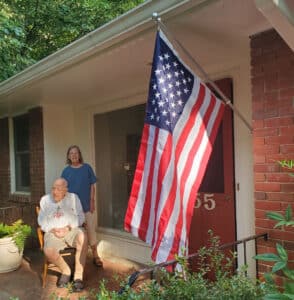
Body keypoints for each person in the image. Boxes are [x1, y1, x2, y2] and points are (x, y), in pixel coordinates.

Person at [38, 178, 88, 291]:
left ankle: (78, 276)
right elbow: (41, 221)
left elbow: (81, 217)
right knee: (48, 250)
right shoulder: (45, 200)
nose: (55, 192)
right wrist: (52, 230)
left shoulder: (74, 198)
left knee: (82, 237)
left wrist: (68, 228)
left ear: (66, 190)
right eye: (53, 188)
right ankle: (66, 271)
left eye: (59, 189)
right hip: (53, 231)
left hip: (70, 229)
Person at [61, 145, 103, 267]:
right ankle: (78, 257)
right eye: (71, 153)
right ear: (68, 156)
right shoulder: (66, 171)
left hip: (85, 205)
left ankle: (95, 255)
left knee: (91, 230)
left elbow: (92, 186)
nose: (74, 155)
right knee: (75, 232)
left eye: (76, 153)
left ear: (79, 155)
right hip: (72, 209)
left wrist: (92, 201)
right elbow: (63, 189)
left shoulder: (87, 168)